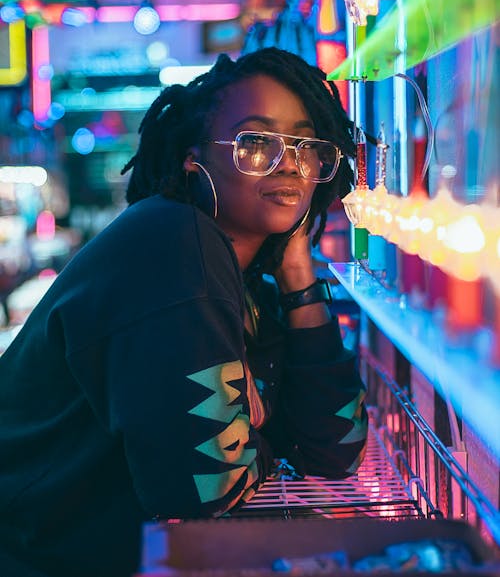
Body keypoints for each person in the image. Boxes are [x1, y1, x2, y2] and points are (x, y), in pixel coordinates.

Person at [0, 47, 368, 577]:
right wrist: (252, 433)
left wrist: (296, 273)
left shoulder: (247, 278)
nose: (289, 162)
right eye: (257, 141)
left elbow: (336, 449)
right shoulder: (175, 244)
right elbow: (205, 491)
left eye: (305, 145)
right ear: (193, 158)